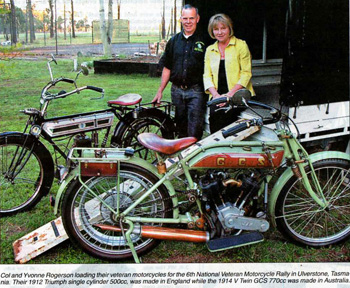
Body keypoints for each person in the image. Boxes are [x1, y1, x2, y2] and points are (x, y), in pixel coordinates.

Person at [152, 4, 207, 140]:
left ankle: (194, 159)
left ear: (197, 19)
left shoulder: (205, 40)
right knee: (180, 129)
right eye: (185, 18)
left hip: (196, 92)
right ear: (181, 19)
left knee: (194, 132)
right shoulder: (173, 41)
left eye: (191, 18)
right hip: (176, 91)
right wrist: (160, 91)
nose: (188, 22)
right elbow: (167, 67)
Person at [203, 13, 255, 133]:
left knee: (226, 117)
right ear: (212, 31)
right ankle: (217, 148)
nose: (220, 32)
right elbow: (207, 75)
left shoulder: (241, 45)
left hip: (237, 95)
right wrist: (216, 96)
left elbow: (246, 73)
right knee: (215, 118)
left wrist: (229, 95)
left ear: (229, 28)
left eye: (223, 28)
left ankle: (226, 148)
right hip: (217, 95)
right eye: (216, 29)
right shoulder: (209, 50)